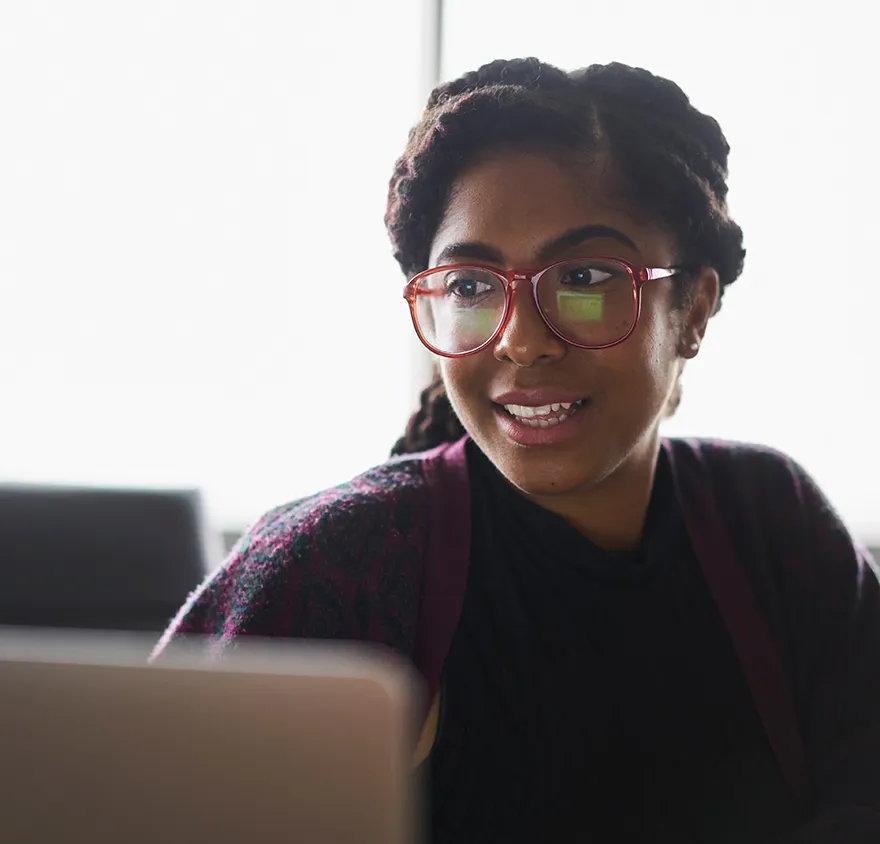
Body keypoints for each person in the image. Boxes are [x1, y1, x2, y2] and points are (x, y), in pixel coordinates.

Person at [154, 58, 880, 842]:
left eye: (586, 275)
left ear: (695, 310)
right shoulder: (337, 571)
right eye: (471, 287)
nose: (523, 342)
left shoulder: (771, 525)